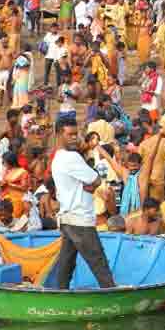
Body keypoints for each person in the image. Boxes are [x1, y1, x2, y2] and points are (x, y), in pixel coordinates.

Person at [51, 119, 116, 289]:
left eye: (76, 134)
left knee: (66, 263)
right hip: (80, 218)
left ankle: (60, 293)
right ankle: (113, 295)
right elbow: (96, 180)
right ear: (59, 135)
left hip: (67, 218)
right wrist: (92, 184)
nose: (75, 138)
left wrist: (90, 184)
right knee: (98, 262)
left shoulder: (58, 157)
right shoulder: (71, 157)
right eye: (70, 134)